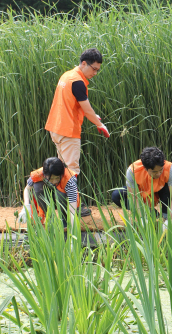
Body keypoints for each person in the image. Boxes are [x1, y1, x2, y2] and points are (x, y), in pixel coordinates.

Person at [45, 48, 110, 217]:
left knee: (61, 170)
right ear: (83, 63)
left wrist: (92, 115)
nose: (95, 73)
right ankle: (75, 208)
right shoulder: (78, 82)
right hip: (68, 131)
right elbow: (87, 109)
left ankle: (61, 206)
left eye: (98, 70)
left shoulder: (67, 76)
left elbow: (72, 103)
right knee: (71, 171)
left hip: (56, 127)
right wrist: (100, 125)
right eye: (94, 69)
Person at [111, 147, 172, 222]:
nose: (158, 174)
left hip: (160, 193)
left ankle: (165, 215)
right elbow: (134, 197)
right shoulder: (132, 170)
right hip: (141, 195)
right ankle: (150, 212)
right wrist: (143, 218)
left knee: (168, 190)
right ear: (145, 168)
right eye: (154, 172)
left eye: (161, 170)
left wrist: (169, 221)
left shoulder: (170, 169)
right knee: (116, 195)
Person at [17, 157, 79, 228]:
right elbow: (27, 189)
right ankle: (50, 218)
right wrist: (26, 207)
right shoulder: (39, 173)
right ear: (44, 174)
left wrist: (72, 226)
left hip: (63, 201)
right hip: (48, 200)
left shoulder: (69, 179)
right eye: (51, 178)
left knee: (59, 195)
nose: (54, 181)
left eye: (57, 178)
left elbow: (72, 204)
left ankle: (64, 219)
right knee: (37, 186)